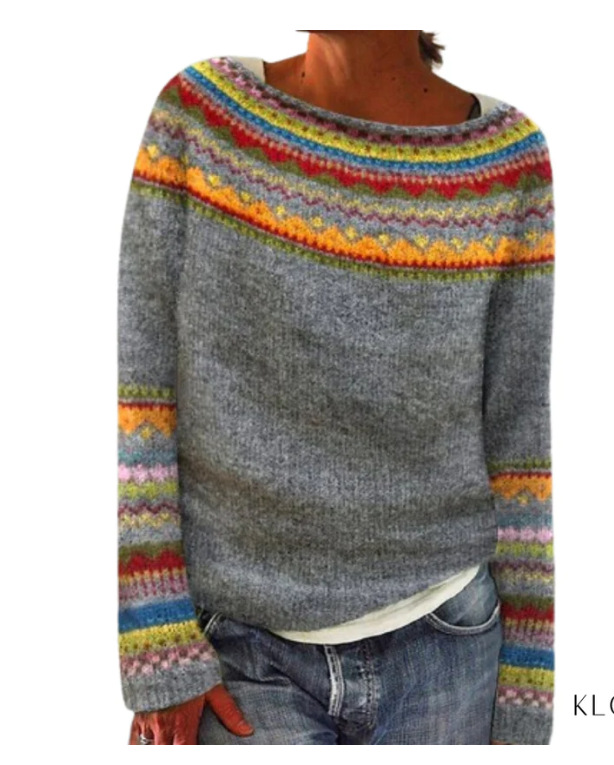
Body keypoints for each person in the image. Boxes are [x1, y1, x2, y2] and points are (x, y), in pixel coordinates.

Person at [118, 30, 555, 745]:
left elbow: (518, 429)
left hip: (450, 643)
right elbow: (144, 395)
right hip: (239, 651)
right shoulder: (204, 117)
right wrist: (157, 640)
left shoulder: (505, 159)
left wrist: (527, 688)